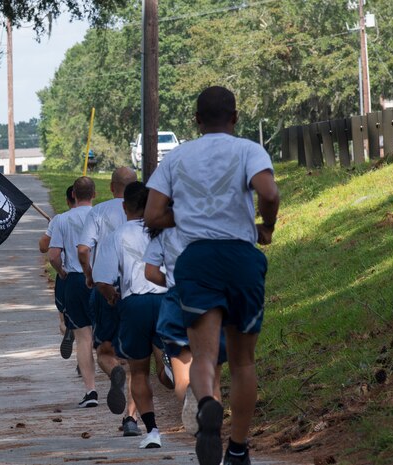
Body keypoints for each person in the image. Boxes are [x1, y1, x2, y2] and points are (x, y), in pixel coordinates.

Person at [144, 86, 280, 465]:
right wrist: (265, 226)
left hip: (196, 260)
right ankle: (237, 449)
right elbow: (268, 193)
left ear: (196, 120)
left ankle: (206, 403)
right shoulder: (248, 150)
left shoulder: (177, 158)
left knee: (203, 357)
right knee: (242, 362)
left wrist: (185, 215)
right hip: (240, 258)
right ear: (235, 118)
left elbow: (153, 216)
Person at [93, 181, 168, 449]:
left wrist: (111, 296)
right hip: (165, 300)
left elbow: (102, 280)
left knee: (138, 372)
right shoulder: (164, 231)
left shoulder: (118, 235)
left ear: (125, 207)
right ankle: (169, 365)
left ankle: (152, 431)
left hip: (134, 303)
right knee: (165, 364)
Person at [77, 167, 142, 435]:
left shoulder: (99, 211)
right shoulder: (146, 213)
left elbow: (83, 249)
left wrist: (89, 275)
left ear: (112, 187)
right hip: (139, 288)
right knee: (139, 360)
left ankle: (113, 369)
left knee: (105, 351)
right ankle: (131, 419)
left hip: (106, 288)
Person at [143, 226, 225, 435]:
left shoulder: (163, 231)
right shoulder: (212, 226)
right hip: (210, 299)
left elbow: (150, 272)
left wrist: (172, 283)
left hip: (177, 299)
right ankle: (212, 432)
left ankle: (191, 396)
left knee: (182, 378)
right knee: (213, 377)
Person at [48, 177, 98, 407]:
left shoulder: (62, 219)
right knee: (108, 333)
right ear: (94, 194)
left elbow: (53, 255)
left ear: (73, 196)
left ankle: (91, 391)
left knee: (83, 337)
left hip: (77, 280)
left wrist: (62, 271)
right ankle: (116, 368)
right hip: (103, 279)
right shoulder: (102, 215)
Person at [39, 186, 76, 358]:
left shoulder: (59, 220)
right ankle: (84, 357)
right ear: (92, 195)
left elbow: (43, 247)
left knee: (64, 317)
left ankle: (68, 330)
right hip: (92, 275)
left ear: (68, 200)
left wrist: (53, 231)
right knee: (89, 322)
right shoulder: (98, 215)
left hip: (67, 276)